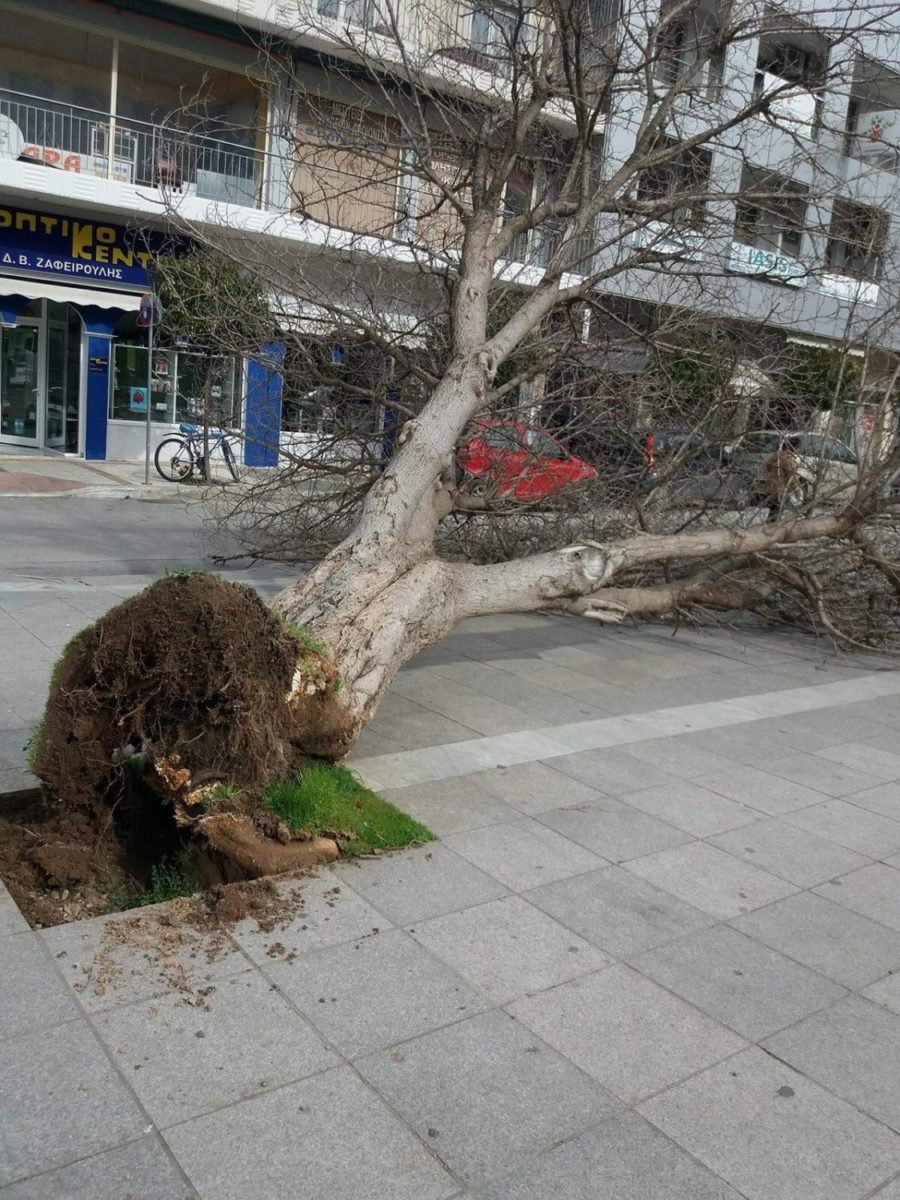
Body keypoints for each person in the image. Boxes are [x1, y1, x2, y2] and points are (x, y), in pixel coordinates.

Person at [764, 440, 802, 521]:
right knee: (778, 510)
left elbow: (767, 466)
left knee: (773, 509)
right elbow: (792, 478)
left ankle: (770, 524)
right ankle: (773, 526)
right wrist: (797, 491)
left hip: (771, 486)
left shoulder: (776, 456)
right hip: (781, 489)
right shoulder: (789, 460)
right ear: (793, 448)